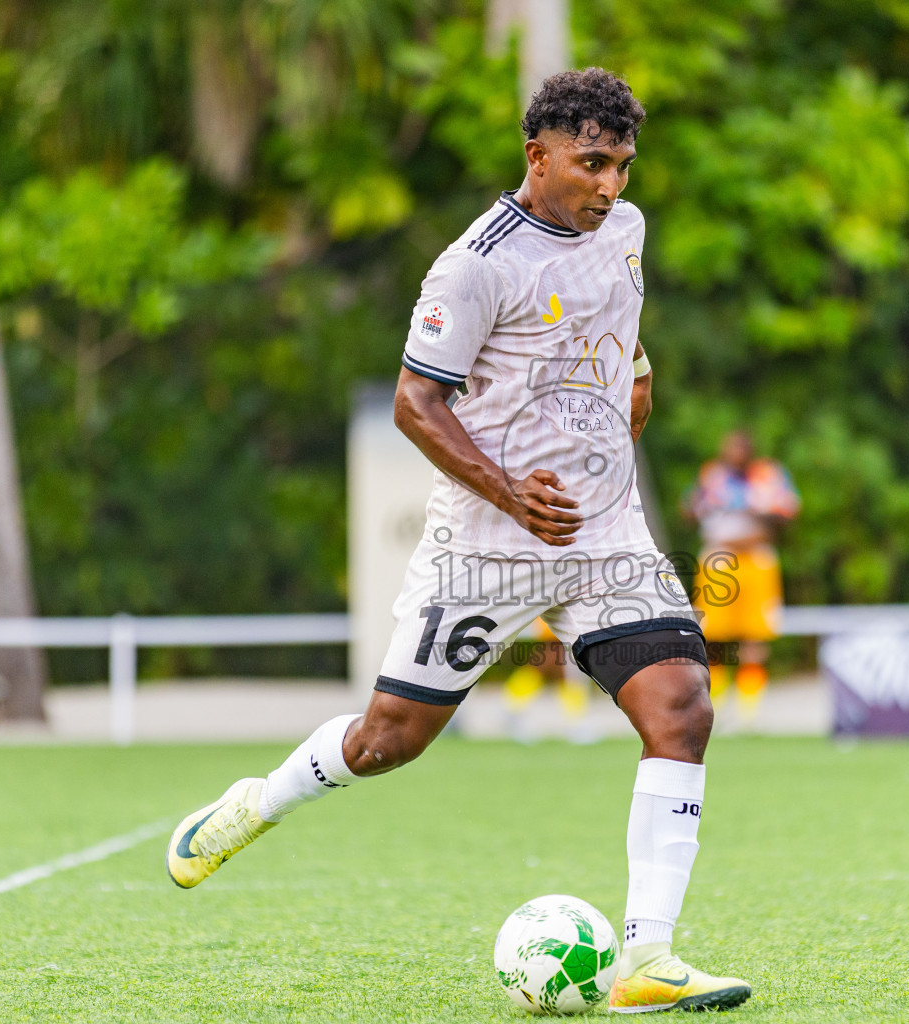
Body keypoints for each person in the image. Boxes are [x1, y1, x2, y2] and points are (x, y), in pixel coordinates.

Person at [165, 69, 750, 1013]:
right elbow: (416, 403)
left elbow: (617, 311)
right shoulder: (475, 265)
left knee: (680, 708)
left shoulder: (625, 230)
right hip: (488, 541)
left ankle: (648, 957)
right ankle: (256, 803)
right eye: (591, 164)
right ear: (539, 155)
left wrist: (637, 368)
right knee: (389, 741)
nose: (610, 186)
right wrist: (512, 494)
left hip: (604, 531)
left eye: (623, 167)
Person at [684, 431, 799, 717]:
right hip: (719, 562)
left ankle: (749, 713)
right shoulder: (712, 475)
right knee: (713, 636)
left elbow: (788, 513)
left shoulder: (768, 475)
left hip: (756, 560)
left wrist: (753, 510)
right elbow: (689, 510)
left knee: (755, 636)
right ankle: (715, 706)